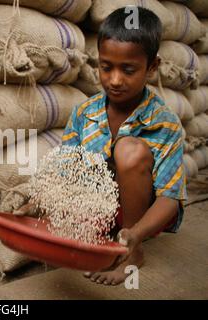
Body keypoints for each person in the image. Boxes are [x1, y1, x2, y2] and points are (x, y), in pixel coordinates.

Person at [16, 7, 187, 286]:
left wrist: (135, 234)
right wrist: (38, 201)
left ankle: (131, 254)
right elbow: (66, 167)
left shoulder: (165, 124)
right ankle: (102, 235)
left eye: (128, 70)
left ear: (152, 67)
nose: (115, 80)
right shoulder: (85, 112)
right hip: (102, 206)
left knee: (128, 151)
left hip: (143, 217)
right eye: (106, 67)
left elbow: (171, 198)